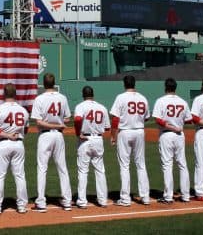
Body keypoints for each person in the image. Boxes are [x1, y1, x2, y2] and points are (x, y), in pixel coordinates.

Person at [31, 73, 72, 212]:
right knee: (62, 168)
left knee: (42, 169)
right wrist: (58, 121)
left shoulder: (39, 98)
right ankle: (67, 201)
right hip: (58, 136)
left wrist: (53, 123)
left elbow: (38, 122)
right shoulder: (62, 98)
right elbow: (67, 119)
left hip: (45, 135)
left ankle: (41, 203)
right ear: (54, 84)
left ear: (44, 83)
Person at [0, 83, 30, 215]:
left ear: (4, 94)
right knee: (20, 175)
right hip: (18, 144)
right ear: (15, 94)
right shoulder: (23, 110)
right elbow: (26, 130)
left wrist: (7, 135)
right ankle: (22, 206)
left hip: (3, 144)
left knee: (0, 176)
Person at [109, 75, 151, 206]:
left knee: (124, 165)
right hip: (139, 131)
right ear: (134, 84)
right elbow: (147, 117)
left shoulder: (120, 97)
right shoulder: (143, 98)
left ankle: (125, 198)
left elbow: (115, 119)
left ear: (124, 84)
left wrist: (113, 136)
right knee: (141, 164)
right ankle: (145, 197)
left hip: (125, 132)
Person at [152, 78, 191, 204]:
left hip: (167, 135)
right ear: (175, 87)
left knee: (167, 165)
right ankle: (185, 196)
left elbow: (158, 120)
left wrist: (170, 125)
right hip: (179, 134)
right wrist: (177, 122)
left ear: (165, 87)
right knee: (182, 164)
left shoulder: (161, 101)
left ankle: (168, 196)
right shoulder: (183, 102)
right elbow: (189, 119)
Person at [73, 85, 110, 208]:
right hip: (98, 139)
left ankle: (82, 201)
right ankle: (103, 200)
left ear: (83, 95)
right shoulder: (102, 107)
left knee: (83, 171)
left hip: (85, 140)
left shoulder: (81, 106)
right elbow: (107, 128)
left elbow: (78, 119)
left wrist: (79, 133)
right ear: (93, 95)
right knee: (100, 170)